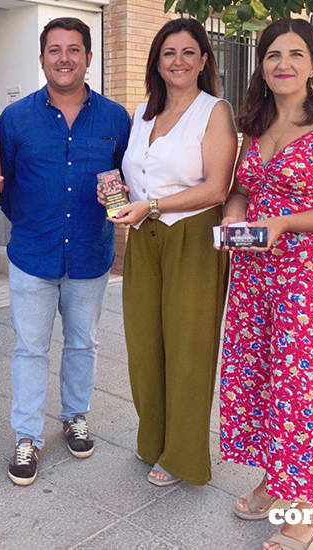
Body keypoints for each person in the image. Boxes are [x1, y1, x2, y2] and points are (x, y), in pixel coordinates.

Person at [217, 19, 313, 550]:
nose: (282, 63)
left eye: (295, 54)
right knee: (260, 380)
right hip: (254, 273)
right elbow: (241, 186)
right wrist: (236, 221)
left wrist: (283, 223)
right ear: (261, 65)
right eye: (272, 55)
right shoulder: (256, 122)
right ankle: (273, 479)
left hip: (308, 278)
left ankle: (307, 510)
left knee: (301, 390)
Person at [0, 17, 131, 486]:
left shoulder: (116, 118)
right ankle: (27, 435)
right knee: (30, 349)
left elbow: (127, 181)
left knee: (83, 344)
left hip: (90, 256)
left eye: (74, 50)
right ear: (41, 59)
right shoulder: (14, 119)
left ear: (89, 58)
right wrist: (33, 223)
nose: (64, 59)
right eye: (54, 50)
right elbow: (6, 187)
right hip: (33, 253)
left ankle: (76, 416)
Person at [104, 18, 236, 487]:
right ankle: (153, 441)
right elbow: (136, 175)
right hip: (144, 237)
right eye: (168, 53)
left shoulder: (214, 111)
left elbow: (217, 188)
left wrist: (153, 204)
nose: (178, 62)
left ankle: (183, 456)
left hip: (191, 238)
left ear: (204, 60)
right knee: (143, 345)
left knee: (188, 348)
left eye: (187, 53)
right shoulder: (142, 113)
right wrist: (118, 197)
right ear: (156, 62)